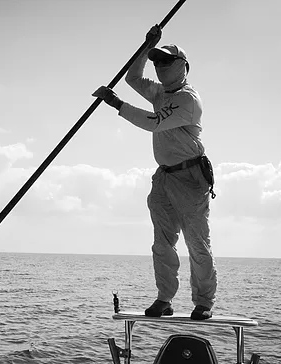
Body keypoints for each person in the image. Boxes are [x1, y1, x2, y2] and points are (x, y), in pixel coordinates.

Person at [92, 26, 217, 320]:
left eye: (166, 61)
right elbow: (132, 78)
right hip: (163, 177)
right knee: (162, 243)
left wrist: (117, 104)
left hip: (190, 178)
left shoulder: (188, 99)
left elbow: (153, 122)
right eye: (157, 61)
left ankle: (204, 303)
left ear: (184, 66)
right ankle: (165, 299)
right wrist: (147, 45)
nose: (160, 66)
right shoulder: (160, 92)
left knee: (197, 243)